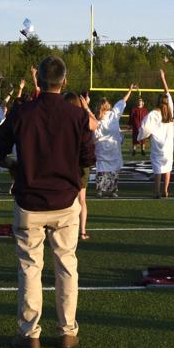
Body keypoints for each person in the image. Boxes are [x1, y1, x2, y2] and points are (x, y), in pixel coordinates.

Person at [0, 56, 95, 348]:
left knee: (30, 269)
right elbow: (89, 158)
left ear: (39, 81)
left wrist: (14, 165)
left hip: (30, 202)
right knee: (66, 267)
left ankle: (29, 333)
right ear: (64, 80)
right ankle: (66, 331)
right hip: (64, 200)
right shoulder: (76, 116)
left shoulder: (22, 113)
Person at [65, 92, 98, 241]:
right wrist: (87, 108)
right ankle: (82, 231)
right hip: (81, 162)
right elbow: (94, 124)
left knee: (66, 197)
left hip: (67, 161)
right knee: (81, 199)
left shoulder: (63, 118)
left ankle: (66, 228)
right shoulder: (82, 117)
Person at [137, 69, 174, 198]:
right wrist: (163, 79)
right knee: (167, 168)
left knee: (158, 169)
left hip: (158, 145)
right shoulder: (170, 112)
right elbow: (168, 93)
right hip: (168, 145)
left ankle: (157, 192)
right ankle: (165, 190)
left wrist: (144, 136)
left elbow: (145, 129)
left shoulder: (153, 114)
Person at [95, 86, 132, 198]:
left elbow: (94, 134)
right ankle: (113, 190)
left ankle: (100, 190)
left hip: (101, 147)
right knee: (114, 169)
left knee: (101, 168)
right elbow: (123, 101)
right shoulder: (114, 115)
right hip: (113, 147)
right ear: (108, 106)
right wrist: (130, 90)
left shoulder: (98, 119)